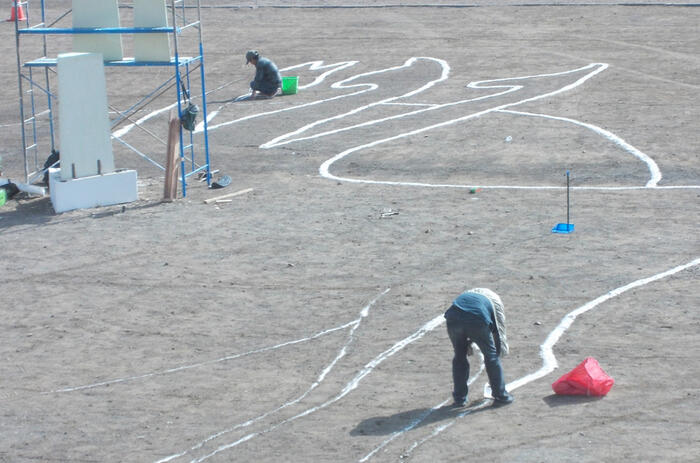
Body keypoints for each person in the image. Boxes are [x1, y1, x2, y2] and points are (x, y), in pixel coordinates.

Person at [444, 287, 514, 407]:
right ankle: (501, 395)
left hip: (452, 317)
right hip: (477, 318)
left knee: (459, 356)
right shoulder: (495, 304)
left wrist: (469, 340)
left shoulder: (467, 296)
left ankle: (459, 399)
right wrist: (497, 354)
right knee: (491, 356)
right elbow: (499, 334)